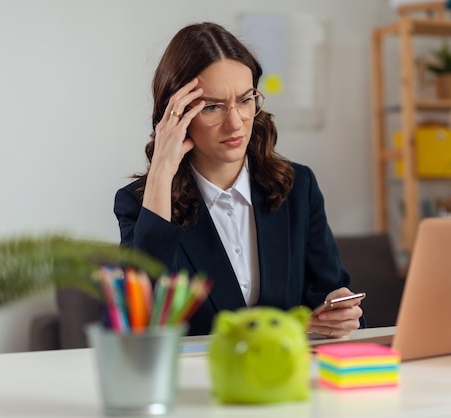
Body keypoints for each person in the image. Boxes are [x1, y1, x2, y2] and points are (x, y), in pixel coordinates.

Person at [114, 22, 363, 337]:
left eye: (246, 100)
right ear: (176, 115)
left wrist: (339, 311)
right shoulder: (140, 203)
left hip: (286, 377)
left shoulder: (298, 186)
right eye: (213, 107)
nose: (236, 124)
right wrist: (162, 170)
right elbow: (143, 323)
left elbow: (328, 294)